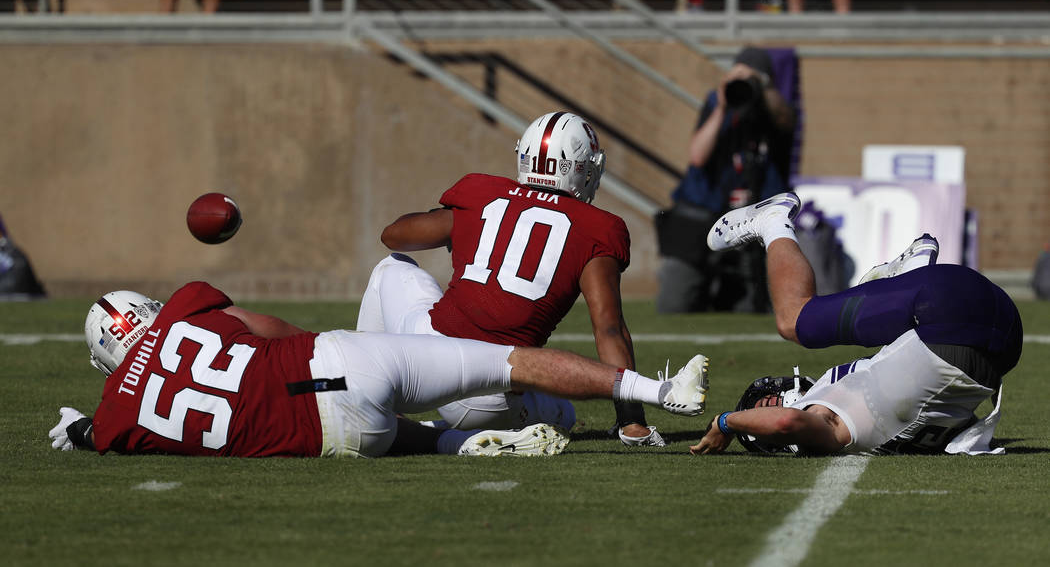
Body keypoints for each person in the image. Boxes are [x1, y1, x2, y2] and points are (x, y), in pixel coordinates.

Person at [48, 283, 710, 459]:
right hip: (338, 361)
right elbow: (274, 332)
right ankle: (660, 392)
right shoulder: (189, 305)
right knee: (510, 364)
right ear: (149, 311)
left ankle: (454, 443)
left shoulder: (116, 420)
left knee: (349, 423)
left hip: (343, 440)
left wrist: (81, 428)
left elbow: (98, 435)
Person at [356, 112, 672, 447]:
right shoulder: (600, 228)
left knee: (391, 267)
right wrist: (632, 422)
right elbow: (608, 328)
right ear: (580, 169)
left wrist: (454, 223)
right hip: (486, 398)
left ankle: (364, 393)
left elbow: (393, 237)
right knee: (564, 415)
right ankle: (454, 431)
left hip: (421, 360)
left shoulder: (481, 192)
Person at [689, 192, 1023, 456]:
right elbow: (789, 420)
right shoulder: (827, 429)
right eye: (764, 409)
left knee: (875, 349)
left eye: (767, 403)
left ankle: (773, 220)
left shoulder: (844, 407)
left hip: (987, 337)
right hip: (972, 328)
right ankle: (774, 219)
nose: (776, 403)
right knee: (793, 320)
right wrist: (724, 423)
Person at [655, 47, 796, 313]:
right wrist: (722, 104)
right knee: (672, 302)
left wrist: (761, 88)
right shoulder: (717, 103)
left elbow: (786, 119)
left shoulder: (775, 108)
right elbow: (697, 156)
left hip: (752, 219)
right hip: (701, 215)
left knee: (752, 306)